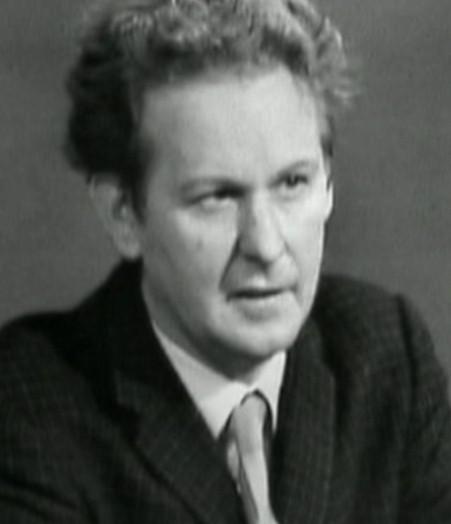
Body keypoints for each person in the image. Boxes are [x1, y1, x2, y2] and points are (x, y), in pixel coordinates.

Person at [0, 0, 450, 522]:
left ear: (328, 184)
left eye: (292, 182)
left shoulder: (386, 356)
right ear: (123, 213)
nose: (265, 245)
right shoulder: (29, 408)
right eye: (216, 196)